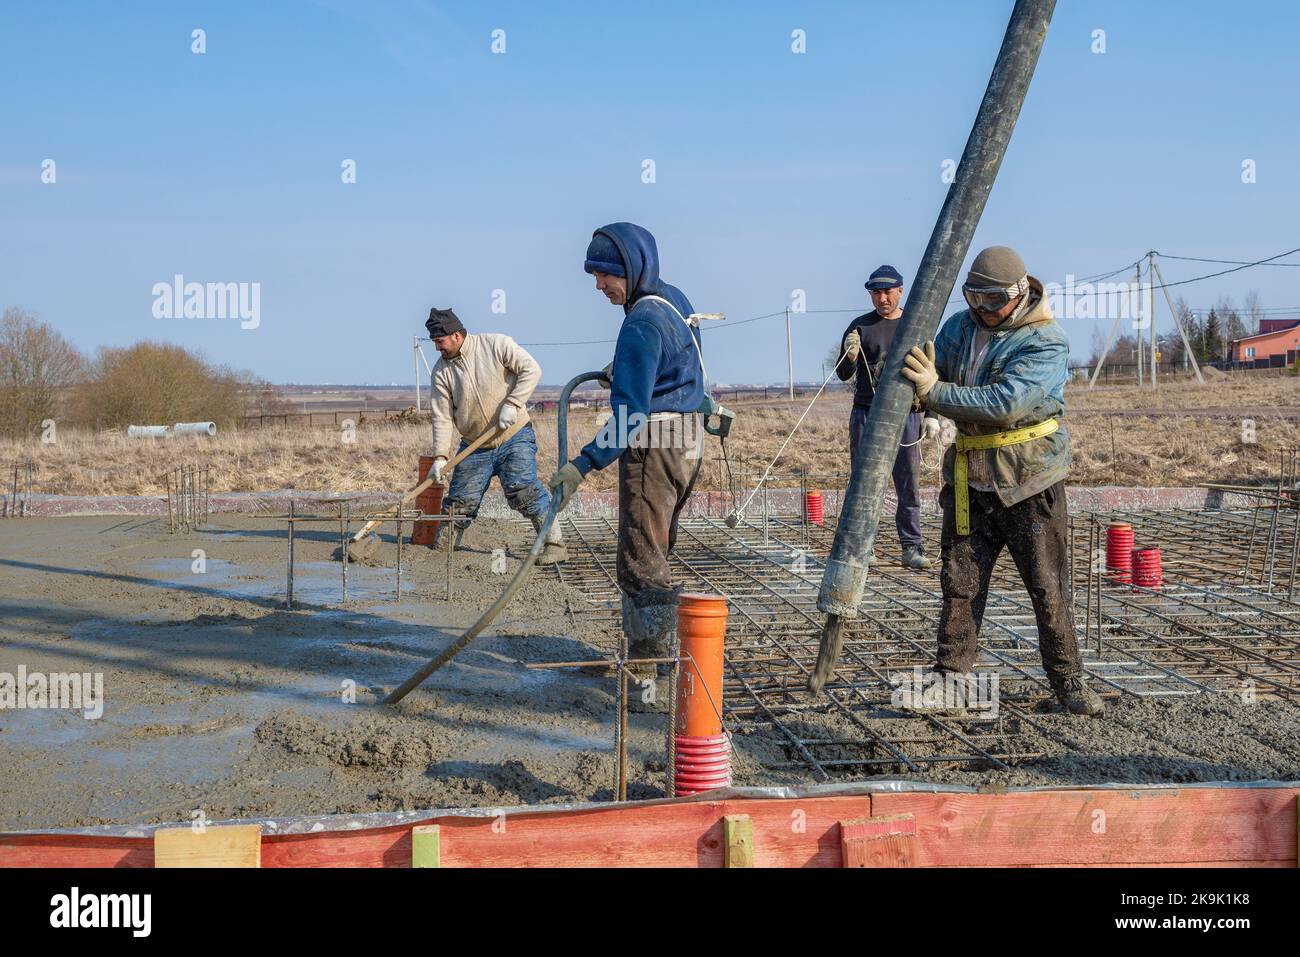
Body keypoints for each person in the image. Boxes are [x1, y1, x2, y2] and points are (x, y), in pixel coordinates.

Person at [901, 246, 1103, 715]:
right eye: (975, 299)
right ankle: (950, 680)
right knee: (960, 583)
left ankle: (1069, 687)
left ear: (1018, 293)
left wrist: (937, 393)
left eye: (993, 301)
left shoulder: (1045, 340)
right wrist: (917, 393)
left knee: (1047, 585)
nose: (984, 310)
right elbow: (929, 369)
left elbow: (1007, 403)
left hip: (1029, 482)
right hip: (971, 480)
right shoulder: (960, 328)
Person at [547, 223, 704, 702]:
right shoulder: (672, 299)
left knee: (641, 562)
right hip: (687, 442)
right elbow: (681, 361)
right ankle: (657, 666)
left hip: (653, 447)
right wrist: (633, 368)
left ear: (632, 269)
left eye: (605, 276)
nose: (599, 286)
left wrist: (583, 463)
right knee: (657, 549)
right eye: (595, 276)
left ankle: (648, 682)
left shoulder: (640, 323)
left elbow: (630, 415)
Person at [425, 307, 566, 564]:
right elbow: (442, 417)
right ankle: (443, 550)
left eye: (440, 341)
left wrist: (512, 403)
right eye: (434, 341)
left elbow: (531, 369)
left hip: (515, 435)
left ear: (456, 335)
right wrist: (441, 455)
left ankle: (554, 543)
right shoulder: (441, 372)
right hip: (474, 446)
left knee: (523, 489)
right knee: (459, 502)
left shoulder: (495, 345)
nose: (437, 348)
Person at [836, 264, 939, 570]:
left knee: (907, 482)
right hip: (866, 413)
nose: (882, 298)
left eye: (887, 292)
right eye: (876, 293)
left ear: (900, 291)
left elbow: (932, 372)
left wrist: (931, 414)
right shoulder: (860, 327)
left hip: (905, 414)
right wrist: (851, 356)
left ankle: (911, 546)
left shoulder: (915, 325)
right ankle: (862, 546)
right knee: (865, 482)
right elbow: (843, 374)